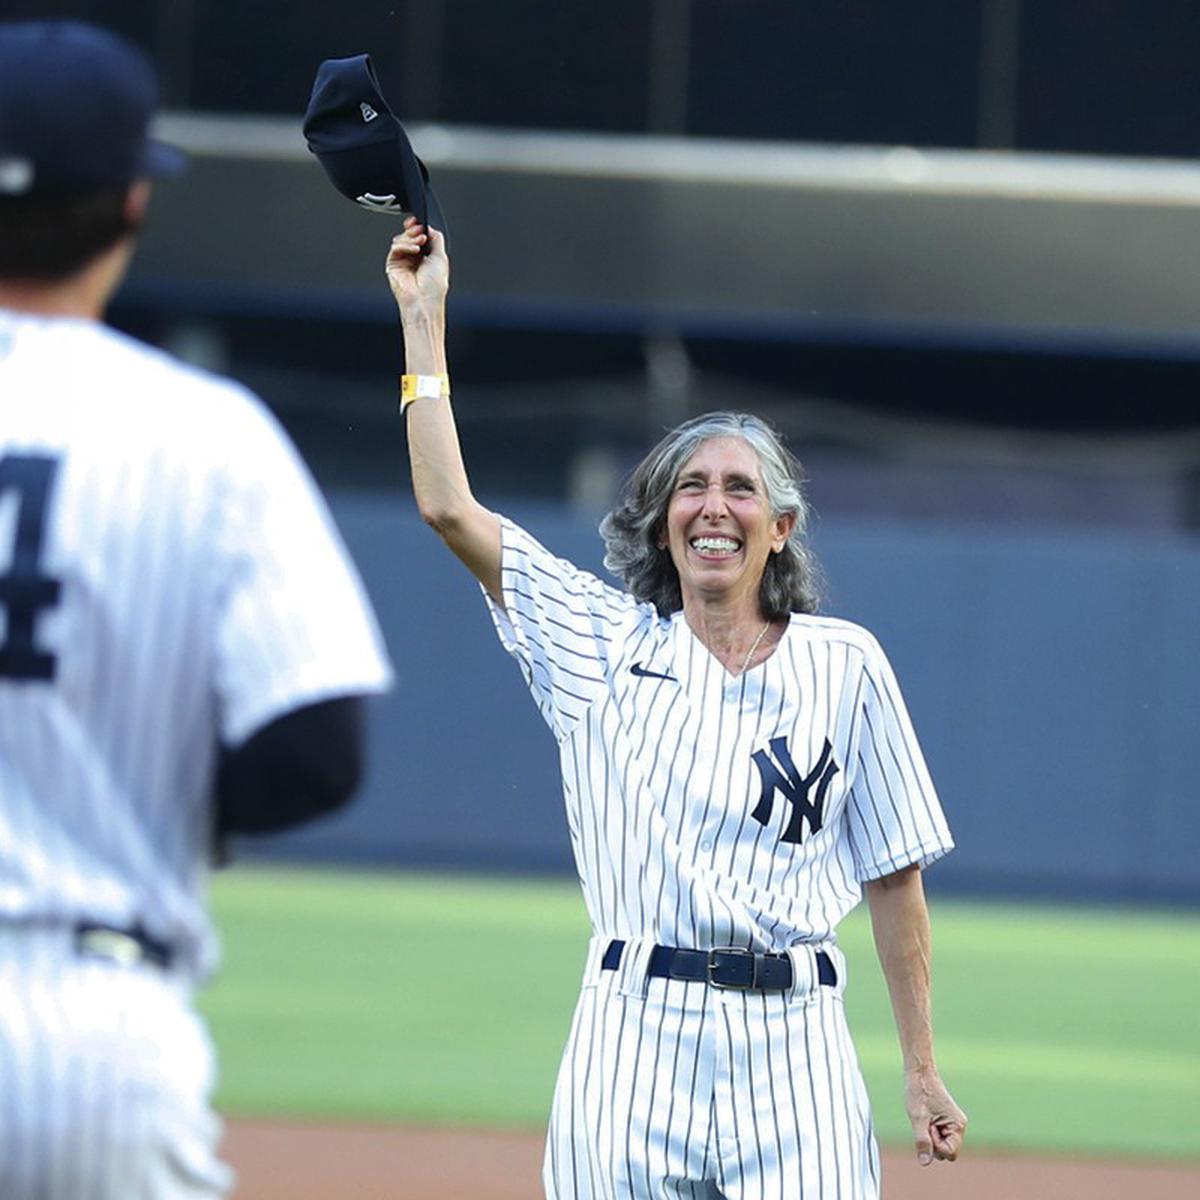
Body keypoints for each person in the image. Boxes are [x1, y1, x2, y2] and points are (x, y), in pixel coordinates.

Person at [386, 216, 966, 1200]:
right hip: (631, 1038)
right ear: (662, 522)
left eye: (741, 490)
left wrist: (919, 1067)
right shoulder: (597, 642)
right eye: (690, 487)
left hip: (797, 1051)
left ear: (780, 528)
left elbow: (895, 875)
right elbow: (450, 510)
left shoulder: (848, 666)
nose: (712, 506)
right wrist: (422, 321)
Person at [0, 20, 393, 1199]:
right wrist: (154, 796)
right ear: (131, 203)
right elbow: (317, 749)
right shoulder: (206, 438)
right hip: (95, 1030)